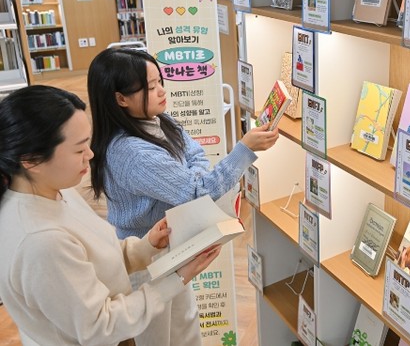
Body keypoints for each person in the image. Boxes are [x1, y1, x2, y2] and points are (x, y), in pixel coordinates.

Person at [0, 85, 222, 346]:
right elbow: (99, 326)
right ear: (31, 160)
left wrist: (146, 246)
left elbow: (93, 260)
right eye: (79, 149)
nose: (91, 155)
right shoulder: (40, 240)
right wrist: (177, 279)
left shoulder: (55, 191)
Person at [87, 47, 279, 345]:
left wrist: (193, 180)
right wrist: (244, 150)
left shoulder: (157, 120)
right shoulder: (131, 152)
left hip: (169, 247)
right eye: (150, 87)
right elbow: (197, 192)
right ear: (121, 99)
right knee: (160, 337)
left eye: (159, 81)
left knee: (184, 328)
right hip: (146, 258)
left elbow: (195, 155)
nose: (162, 91)